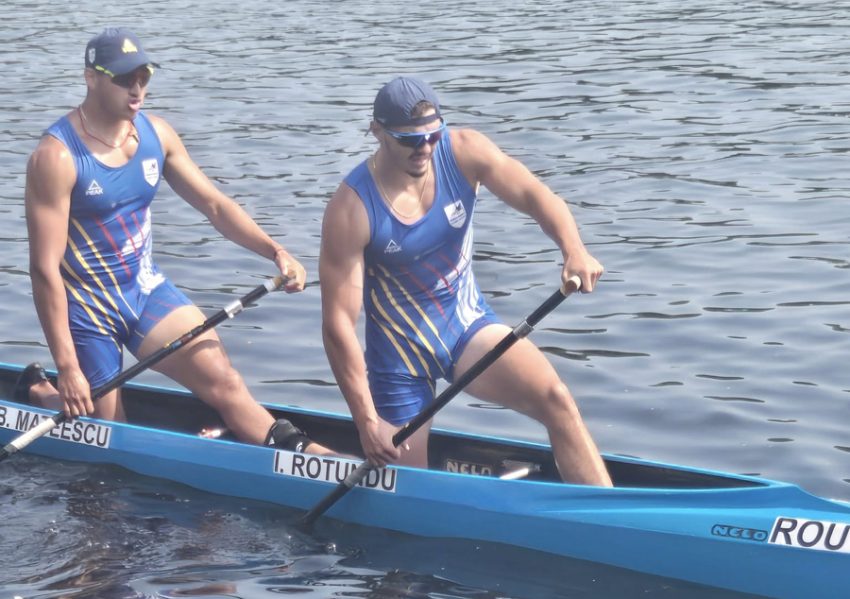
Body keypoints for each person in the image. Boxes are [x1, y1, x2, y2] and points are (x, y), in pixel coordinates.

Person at [22, 27, 330, 455]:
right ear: (91, 78)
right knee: (110, 434)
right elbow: (44, 269)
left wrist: (275, 251)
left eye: (144, 77)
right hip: (88, 308)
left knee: (223, 379)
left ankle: (302, 453)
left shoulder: (157, 135)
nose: (137, 89)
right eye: (125, 78)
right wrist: (68, 366)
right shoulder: (56, 158)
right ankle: (44, 392)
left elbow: (216, 206)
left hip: (144, 290)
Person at [319, 76, 613, 485]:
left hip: (465, 328)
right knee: (409, 491)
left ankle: (603, 517)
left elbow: (534, 194)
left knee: (557, 399)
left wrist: (573, 248)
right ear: (378, 133)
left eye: (432, 135)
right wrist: (366, 421)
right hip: (398, 360)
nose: (424, 149)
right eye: (409, 140)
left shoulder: (464, 151)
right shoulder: (352, 208)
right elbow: (338, 327)